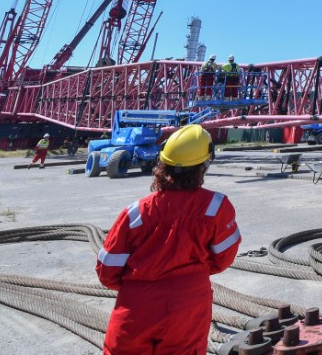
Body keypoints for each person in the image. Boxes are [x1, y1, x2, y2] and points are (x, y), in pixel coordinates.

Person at [95, 124, 241, 355]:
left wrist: (142, 286)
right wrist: (192, 273)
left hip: (137, 305)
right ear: (204, 165)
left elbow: (108, 270)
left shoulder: (136, 213)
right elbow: (223, 258)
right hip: (189, 303)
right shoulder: (216, 207)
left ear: (162, 165)